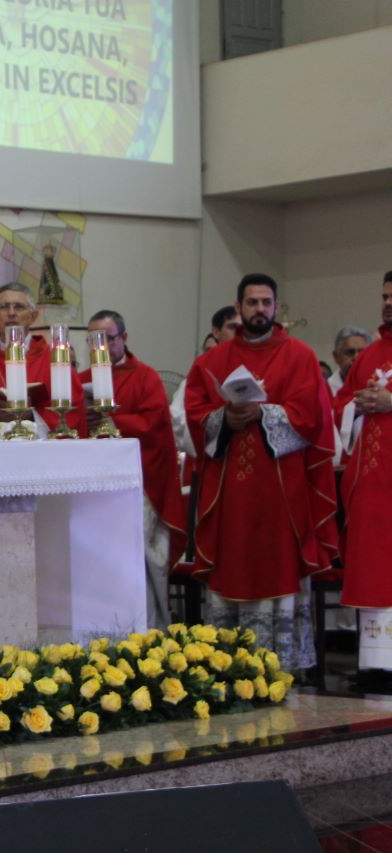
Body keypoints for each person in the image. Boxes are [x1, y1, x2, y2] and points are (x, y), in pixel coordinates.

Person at [184, 273, 338, 671]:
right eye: (251, 303)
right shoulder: (211, 362)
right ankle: (227, 664)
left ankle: (281, 663)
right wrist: (224, 419)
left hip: (280, 487)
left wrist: (264, 412)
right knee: (231, 558)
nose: (259, 310)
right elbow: (194, 415)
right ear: (238, 308)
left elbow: (311, 416)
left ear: (276, 307)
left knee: (279, 564)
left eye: (266, 303)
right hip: (230, 487)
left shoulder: (300, 356)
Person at [79, 309, 186, 627]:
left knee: (136, 561)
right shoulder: (81, 381)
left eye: (107, 339)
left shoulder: (146, 377)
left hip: (139, 487)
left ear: (123, 338)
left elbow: (155, 426)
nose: (100, 347)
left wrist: (111, 420)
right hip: (93, 491)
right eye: (93, 340)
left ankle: (147, 631)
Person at [333, 273, 392, 678]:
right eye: (386, 296)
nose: (388, 303)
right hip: (372, 487)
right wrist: (359, 404)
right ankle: (378, 664)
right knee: (375, 571)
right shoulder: (370, 355)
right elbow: (339, 403)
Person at [0, 283, 84, 434]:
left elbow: (75, 411)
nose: (11, 313)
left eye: (19, 306)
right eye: (4, 306)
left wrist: (31, 416)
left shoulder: (55, 360)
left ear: (33, 316)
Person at [172, 306, 243, 457]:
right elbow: (178, 419)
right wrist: (222, 420)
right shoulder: (199, 375)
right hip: (211, 458)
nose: (239, 333)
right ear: (216, 332)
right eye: (232, 327)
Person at [330, 325, 372, 396]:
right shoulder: (325, 390)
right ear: (336, 357)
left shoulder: (381, 388)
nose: (357, 357)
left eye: (362, 353)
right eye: (350, 352)